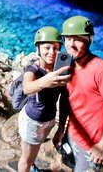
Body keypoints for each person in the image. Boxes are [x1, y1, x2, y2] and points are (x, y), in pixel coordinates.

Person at [54, 16, 103, 172]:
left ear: (89, 40)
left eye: (77, 39)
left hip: (93, 146)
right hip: (72, 133)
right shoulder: (68, 63)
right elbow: (67, 98)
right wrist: (61, 128)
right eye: (67, 38)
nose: (70, 44)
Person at [18, 26, 72, 172]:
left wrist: (61, 127)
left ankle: (32, 164)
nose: (52, 52)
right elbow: (27, 87)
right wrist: (44, 82)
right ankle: (29, 166)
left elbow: (64, 99)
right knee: (25, 159)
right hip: (33, 122)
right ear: (38, 49)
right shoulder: (34, 69)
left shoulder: (61, 69)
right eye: (47, 48)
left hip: (49, 121)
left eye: (56, 48)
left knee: (33, 151)